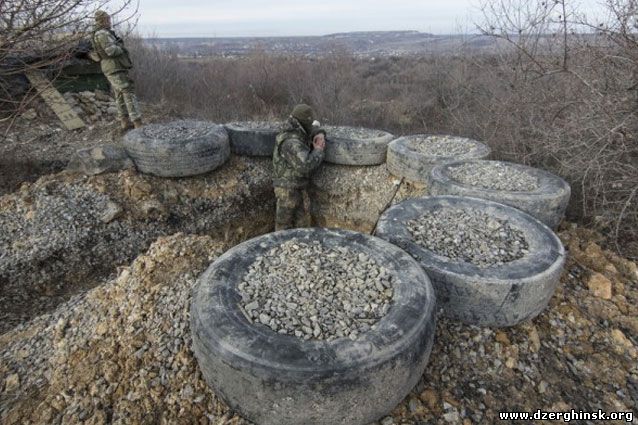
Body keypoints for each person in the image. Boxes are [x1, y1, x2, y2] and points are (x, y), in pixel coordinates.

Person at [272, 104, 326, 231]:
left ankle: (298, 248)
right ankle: (281, 249)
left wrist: (319, 133)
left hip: (296, 186)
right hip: (287, 189)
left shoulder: (295, 128)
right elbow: (305, 165)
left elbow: (311, 128)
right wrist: (318, 151)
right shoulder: (291, 141)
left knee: (301, 225)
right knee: (283, 228)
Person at [90, 10, 142, 132]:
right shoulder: (102, 34)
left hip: (114, 67)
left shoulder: (103, 33)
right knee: (128, 91)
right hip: (113, 67)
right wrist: (121, 48)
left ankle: (125, 122)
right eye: (107, 19)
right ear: (102, 20)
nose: (110, 21)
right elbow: (111, 51)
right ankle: (137, 123)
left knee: (120, 94)